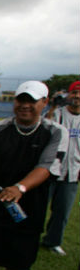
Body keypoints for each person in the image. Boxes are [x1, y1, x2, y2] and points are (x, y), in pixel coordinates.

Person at [0, 80, 67, 270]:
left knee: (22, 258)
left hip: (28, 206)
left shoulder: (56, 132)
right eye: (21, 100)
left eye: (32, 101)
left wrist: (20, 188)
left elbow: (46, 166)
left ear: (44, 103)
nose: (25, 106)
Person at [41, 80, 80, 256]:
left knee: (62, 211)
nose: (77, 97)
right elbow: (44, 128)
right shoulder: (58, 114)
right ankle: (30, 237)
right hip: (50, 170)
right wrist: (51, 108)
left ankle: (53, 241)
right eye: (74, 93)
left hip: (72, 172)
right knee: (39, 207)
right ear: (68, 95)